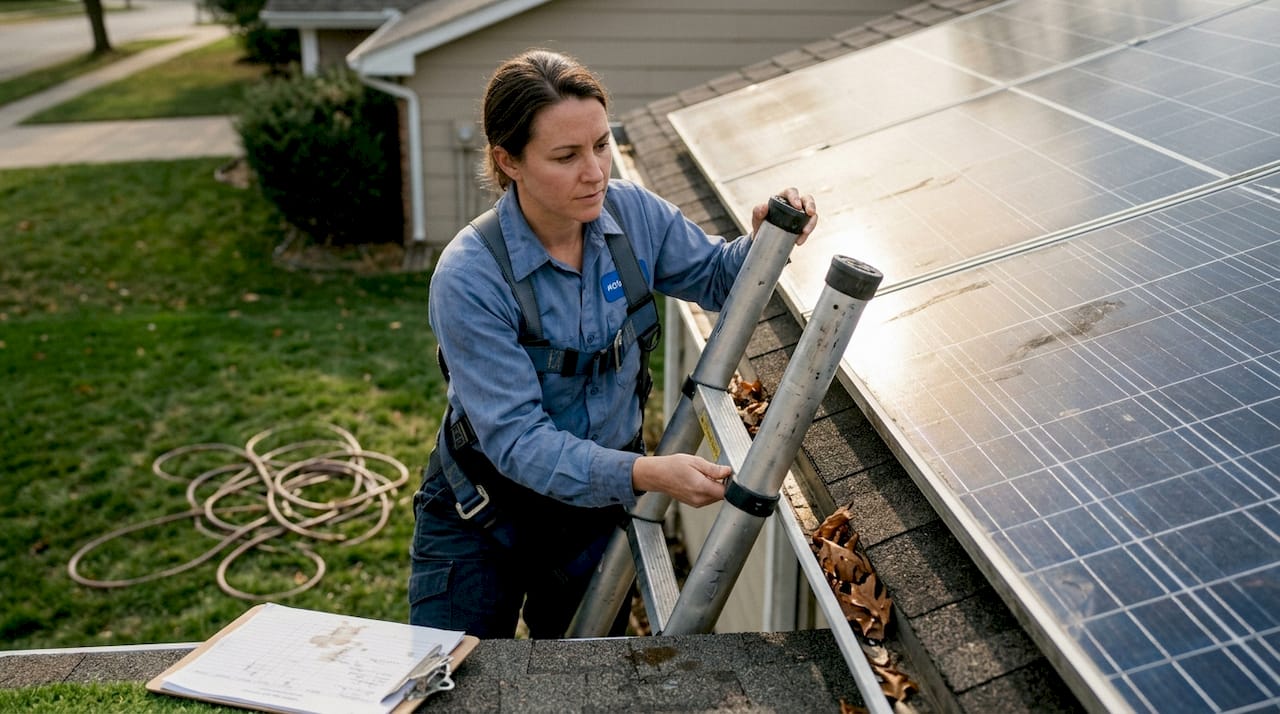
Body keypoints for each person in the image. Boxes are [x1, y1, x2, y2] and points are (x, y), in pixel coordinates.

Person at [409, 48, 817, 639]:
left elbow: (717, 278)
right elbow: (519, 443)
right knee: (455, 689)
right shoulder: (471, 277)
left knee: (584, 690)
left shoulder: (630, 216)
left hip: (590, 519)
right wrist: (649, 473)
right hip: (483, 517)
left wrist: (765, 238)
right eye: (566, 156)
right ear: (509, 161)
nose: (595, 171)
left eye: (600, 145)